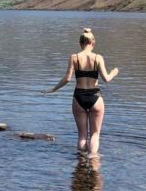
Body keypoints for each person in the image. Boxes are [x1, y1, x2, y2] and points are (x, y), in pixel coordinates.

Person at [49, 27, 119, 155]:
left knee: (82, 136)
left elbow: (67, 79)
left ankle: (80, 162)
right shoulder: (98, 58)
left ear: (80, 43)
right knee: (95, 134)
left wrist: (54, 89)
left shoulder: (74, 57)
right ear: (93, 42)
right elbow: (106, 79)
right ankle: (93, 160)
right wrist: (114, 72)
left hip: (79, 97)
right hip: (95, 97)